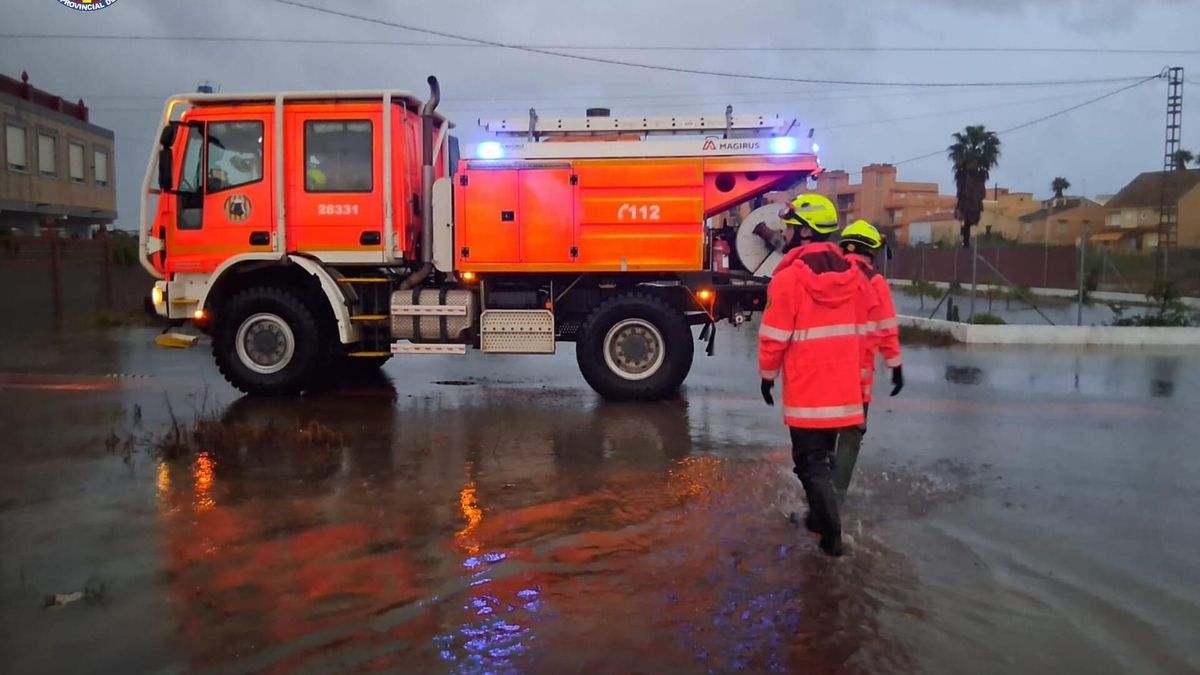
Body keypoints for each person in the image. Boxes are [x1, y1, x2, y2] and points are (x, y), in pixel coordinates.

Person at [758, 194, 876, 557]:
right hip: (843, 390)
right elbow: (865, 333)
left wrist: (767, 375)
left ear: (807, 232)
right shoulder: (856, 277)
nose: (788, 234)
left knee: (810, 464)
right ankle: (818, 520)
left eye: (793, 228)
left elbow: (774, 335)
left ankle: (831, 537)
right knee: (822, 458)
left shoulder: (789, 278)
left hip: (808, 389)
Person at [834, 220, 904, 496]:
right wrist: (895, 365)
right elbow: (887, 329)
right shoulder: (875, 283)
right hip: (856, 383)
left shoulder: (825, 277)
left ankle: (816, 493)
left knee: (820, 435)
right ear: (872, 251)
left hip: (821, 376)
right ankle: (837, 496)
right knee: (850, 436)